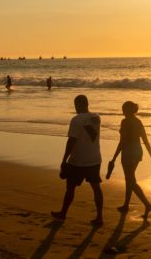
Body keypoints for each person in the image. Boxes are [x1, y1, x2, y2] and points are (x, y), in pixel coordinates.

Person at [52, 95, 104, 226]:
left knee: (70, 188)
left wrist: (64, 159)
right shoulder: (96, 117)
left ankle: (63, 213)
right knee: (96, 188)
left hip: (78, 160)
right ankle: (99, 217)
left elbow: (72, 141)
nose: (75, 108)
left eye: (76, 105)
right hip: (95, 158)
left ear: (79, 105)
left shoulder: (76, 119)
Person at [108, 101, 151, 218]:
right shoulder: (138, 122)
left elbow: (122, 141)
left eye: (123, 109)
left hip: (128, 152)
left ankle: (147, 204)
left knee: (130, 180)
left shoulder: (125, 122)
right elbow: (145, 140)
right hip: (137, 151)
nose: (122, 111)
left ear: (128, 110)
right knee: (129, 178)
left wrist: (114, 158)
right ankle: (126, 205)